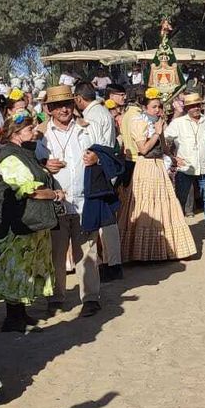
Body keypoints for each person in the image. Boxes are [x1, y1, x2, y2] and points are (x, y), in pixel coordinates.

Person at [0, 110, 61, 332]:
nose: (35, 132)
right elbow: (29, 190)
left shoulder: (24, 152)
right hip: (13, 225)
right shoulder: (10, 157)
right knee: (14, 268)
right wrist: (55, 194)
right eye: (30, 129)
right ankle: (13, 318)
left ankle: (21, 313)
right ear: (16, 133)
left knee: (24, 268)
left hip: (27, 223)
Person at [40, 84, 107, 317]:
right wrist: (43, 165)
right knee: (56, 253)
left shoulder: (88, 129)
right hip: (54, 204)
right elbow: (29, 166)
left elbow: (108, 154)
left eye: (67, 104)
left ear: (73, 105)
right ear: (49, 109)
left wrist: (97, 157)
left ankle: (90, 297)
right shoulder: (40, 134)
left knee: (87, 252)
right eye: (57, 106)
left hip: (83, 201)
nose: (63, 110)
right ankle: (56, 296)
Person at [118, 87, 195, 262]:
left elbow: (164, 146)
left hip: (159, 166)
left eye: (159, 106)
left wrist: (173, 158)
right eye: (154, 107)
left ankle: (166, 249)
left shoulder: (158, 121)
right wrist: (157, 132)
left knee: (166, 206)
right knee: (146, 206)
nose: (158, 110)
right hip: (145, 167)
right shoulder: (139, 122)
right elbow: (143, 149)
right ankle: (142, 252)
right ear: (145, 107)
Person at [75, 81, 123, 280]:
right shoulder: (103, 112)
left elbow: (93, 145)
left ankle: (110, 263)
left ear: (78, 99)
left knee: (102, 218)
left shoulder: (92, 116)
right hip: (105, 168)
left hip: (97, 170)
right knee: (106, 218)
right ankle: (112, 262)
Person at [166, 92, 205, 233]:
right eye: (192, 106)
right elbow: (165, 140)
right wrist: (173, 158)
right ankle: (179, 230)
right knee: (180, 199)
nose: (196, 108)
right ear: (187, 108)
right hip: (185, 168)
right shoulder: (178, 123)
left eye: (198, 105)